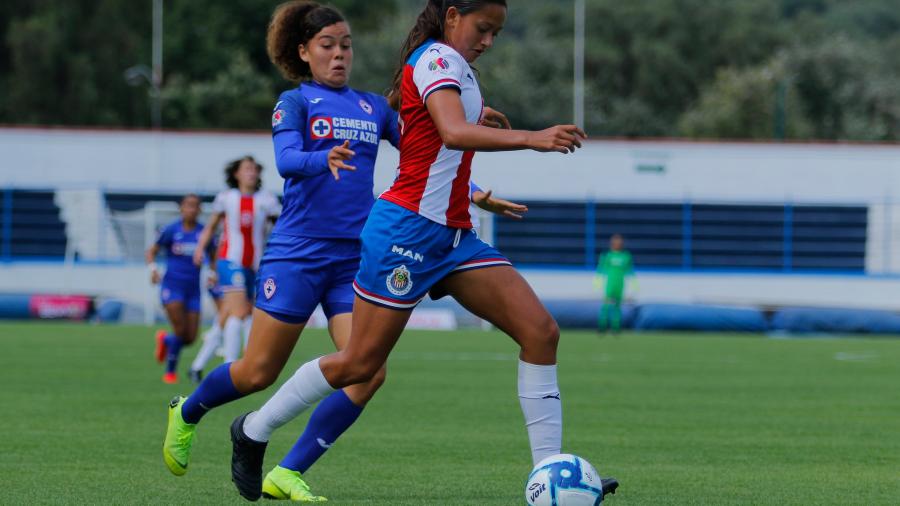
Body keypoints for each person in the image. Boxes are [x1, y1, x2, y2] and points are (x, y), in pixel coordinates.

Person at [228, 0, 618, 501]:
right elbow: (452, 131)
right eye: (483, 28)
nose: (489, 41)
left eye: (497, 32)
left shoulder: (456, 68)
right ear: (453, 16)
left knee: (540, 332)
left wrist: (477, 181)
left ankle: (548, 477)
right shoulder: (436, 59)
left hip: (454, 238)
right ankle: (253, 430)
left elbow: (437, 131)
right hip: (406, 234)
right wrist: (532, 137)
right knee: (358, 365)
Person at [161, 2, 525, 501]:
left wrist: (477, 193)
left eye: (346, 45)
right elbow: (287, 160)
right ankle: (187, 412)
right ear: (304, 52)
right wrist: (320, 158)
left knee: (367, 370)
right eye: (327, 46)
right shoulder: (294, 102)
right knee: (257, 372)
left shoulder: (374, 108)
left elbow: (429, 150)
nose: (339, 55)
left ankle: (288, 470)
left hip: (351, 256)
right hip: (297, 253)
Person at [193, 157, 281, 363]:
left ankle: (199, 364)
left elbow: (281, 228)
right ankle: (231, 365)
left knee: (233, 313)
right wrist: (199, 248)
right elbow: (211, 227)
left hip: (255, 264)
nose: (251, 172)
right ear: (237, 174)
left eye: (254, 169)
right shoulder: (226, 197)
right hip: (229, 260)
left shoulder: (266, 200)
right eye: (247, 169)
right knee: (240, 311)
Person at [147, 194, 207, 384]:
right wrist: (153, 269)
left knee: (190, 338)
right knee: (180, 330)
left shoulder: (204, 233)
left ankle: (165, 340)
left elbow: (214, 255)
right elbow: (152, 251)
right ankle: (170, 372)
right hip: (172, 286)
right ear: (181, 208)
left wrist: (213, 273)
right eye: (188, 205)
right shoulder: (171, 230)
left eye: (195, 206)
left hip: (193, 289)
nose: (191, 209)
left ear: (199, 210)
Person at [594, 234, 634, 334]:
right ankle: (602, 327)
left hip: (620, 285)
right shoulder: (607, 255)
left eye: (619, 242)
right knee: (606, 306)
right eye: (615, 242)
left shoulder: (626, 256)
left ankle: (616, 328)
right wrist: (597, 281)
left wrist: (634, 284)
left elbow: (629, 271)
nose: (617, 244)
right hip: (609, 285)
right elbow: (601, 269)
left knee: (617, 306)